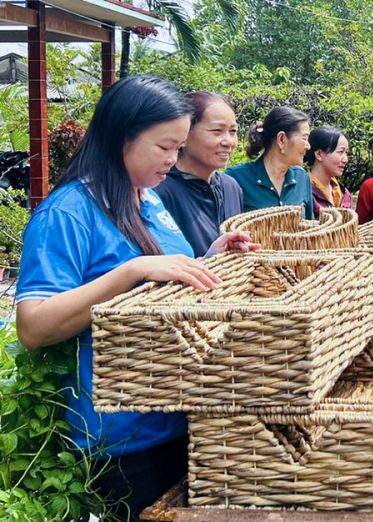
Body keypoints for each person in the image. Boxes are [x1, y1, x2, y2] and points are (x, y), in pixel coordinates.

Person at [14, 75, 256, 521]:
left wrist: (209, 258)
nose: (173, 157)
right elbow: (34, 325)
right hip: (121, 440)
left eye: (178, 146)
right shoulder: (69, 212)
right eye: (164, 146)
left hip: (178, 415)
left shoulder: (147, 199)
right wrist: (129, 272)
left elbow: (157, 288)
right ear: (123, 136)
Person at [156, 91, 243, 257]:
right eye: (217, 131)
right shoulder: (160, 191)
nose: (228, 142)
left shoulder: (230, 187)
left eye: (233, 131)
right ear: (185, 136)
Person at [227, 106, 314, 219]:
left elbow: (310, 227)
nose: (308, 146)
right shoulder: (236, 178)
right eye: (304, 138)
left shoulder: (301, 177)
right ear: (281, 139)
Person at [305, 126, 352, 215]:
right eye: (340, 152)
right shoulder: (304, 193)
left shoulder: (344, 193)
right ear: (319, 154)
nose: (345, 160)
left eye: (346, 153)